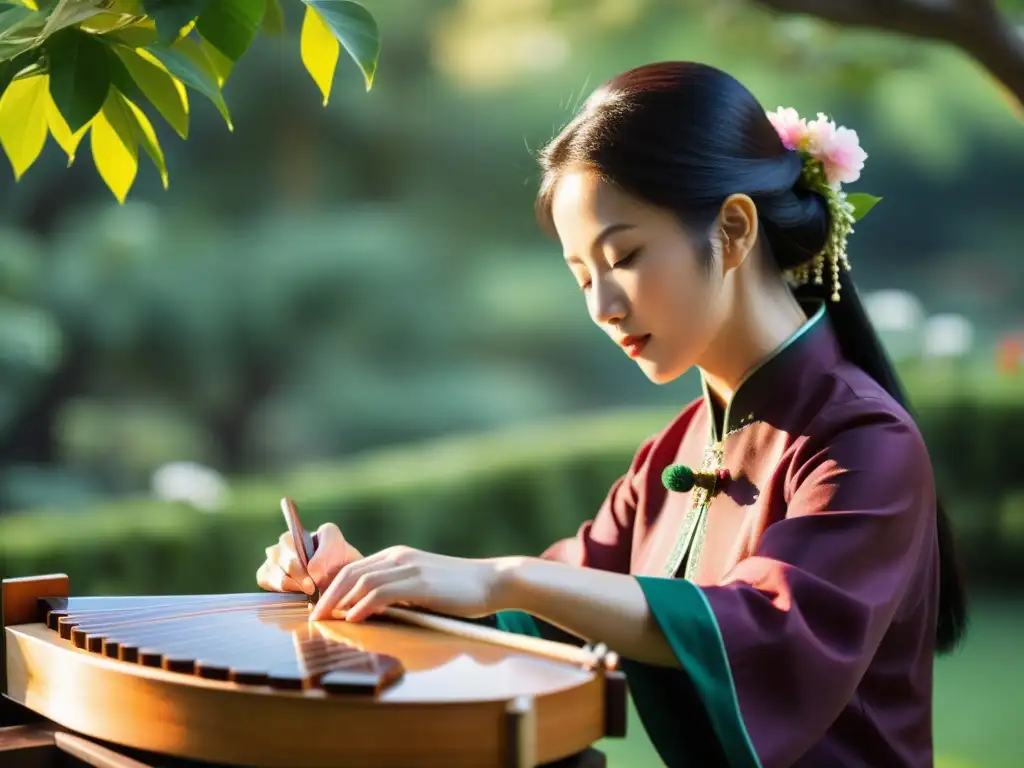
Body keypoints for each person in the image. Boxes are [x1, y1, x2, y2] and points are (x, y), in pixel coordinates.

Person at [256, 61, 968, 767]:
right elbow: (550, 617)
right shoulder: (674, 454)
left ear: (732, 229)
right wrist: (371, 584)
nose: (602, 307)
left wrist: (504, 576)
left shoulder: (863, 443)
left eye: (623, 256)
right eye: (582, 276)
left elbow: (771, 637)